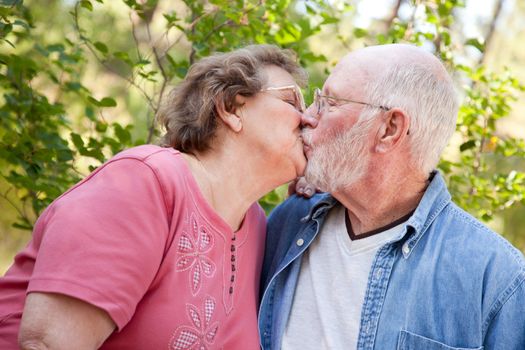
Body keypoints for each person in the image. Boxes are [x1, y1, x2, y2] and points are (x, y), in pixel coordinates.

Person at [0, 44, 308, 349]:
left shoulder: (256, 226)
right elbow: (48, 344)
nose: (308, 119)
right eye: (293, 101)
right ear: (230, 107)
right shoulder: (144, 181)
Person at [258, 44, 525, 350]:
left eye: (328, 103)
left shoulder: (497, 278)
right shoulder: (291, 219)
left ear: (390, 129)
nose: (307, 116)